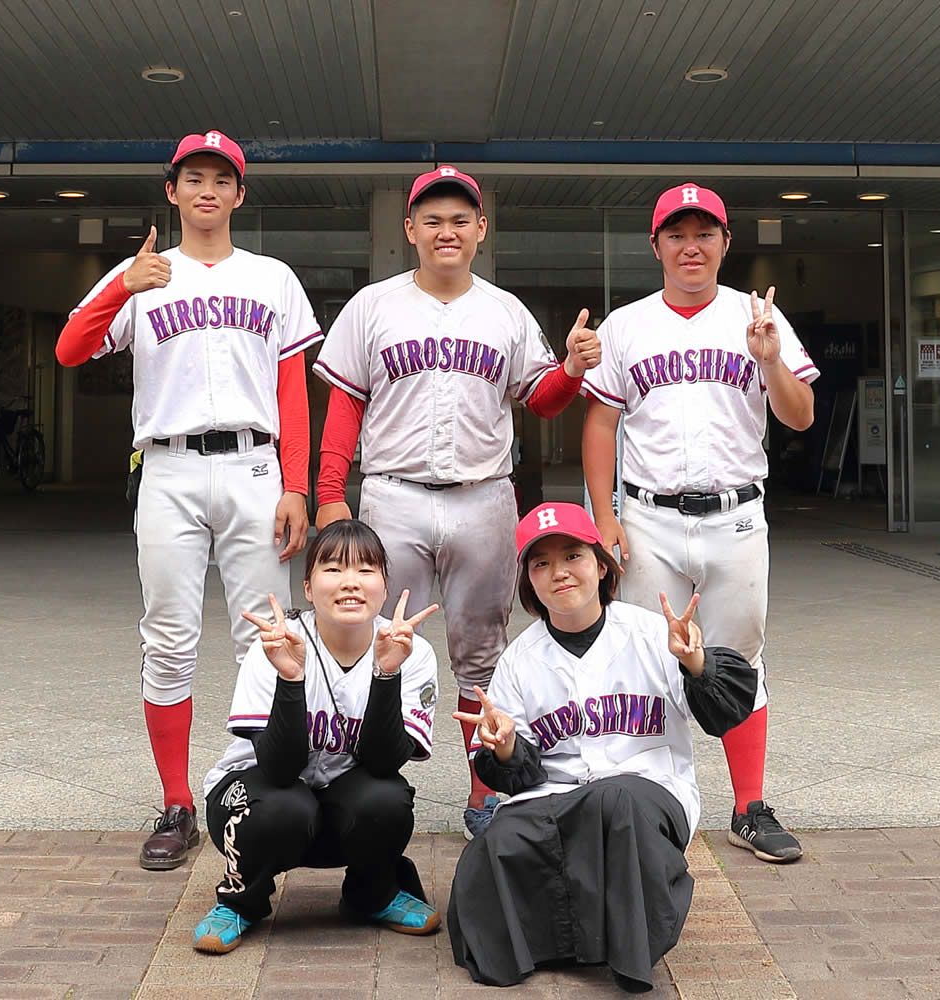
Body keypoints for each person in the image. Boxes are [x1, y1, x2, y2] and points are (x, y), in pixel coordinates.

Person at [55, 130, 322, 871]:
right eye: (193, 178)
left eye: (221, 179)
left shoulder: (272, 277)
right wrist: (122, 287)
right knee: (168, 638)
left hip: (253, 464)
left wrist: (296, 484)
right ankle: (176, 802)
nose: (208, 190)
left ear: (240, 193)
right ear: (171, 192)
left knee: (263, 636)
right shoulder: (142, 272)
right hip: (167, 468)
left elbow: (293, 391)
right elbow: (70, 350)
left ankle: (260, 782)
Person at [311, 165, 601, 837]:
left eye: (460, 220)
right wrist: (329, 494)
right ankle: (368, 789)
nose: (448, 231)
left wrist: (570, 370)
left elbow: (539, 399)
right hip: (394, 495)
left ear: (481, 230)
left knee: (483, 656)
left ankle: (485, 794)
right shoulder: (373, 306)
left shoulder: (505, 311)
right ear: (409, 229)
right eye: (433, 220)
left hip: (483, 497)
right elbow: (345, 404)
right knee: (376, 642)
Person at [581, 182, 819, 864]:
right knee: (646, 656)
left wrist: (770, 359)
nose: (692, 246)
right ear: (656, 245)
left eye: (705, 233)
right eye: (678, 235)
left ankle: (750, 807)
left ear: (725, 242)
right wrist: (604, 517)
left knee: (739, 657)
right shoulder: (626, 325)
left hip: (735, 515)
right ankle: (643, 800)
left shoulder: (757, 316)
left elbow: (800, 416)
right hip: (648, 518)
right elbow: (600, 423)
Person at [447, 502, 757, 991]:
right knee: (494, 843)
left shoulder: (654, 634)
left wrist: (697, 665)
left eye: (573, 556)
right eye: (541, 563)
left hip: (649, 795)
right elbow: (519, 776)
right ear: (529, 582)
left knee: (616, 800)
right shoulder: (518, 660)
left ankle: (629, 954)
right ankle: (560, 946)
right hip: (558, 798)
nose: (559, 572)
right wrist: (504, 747)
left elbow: (725, 713)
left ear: (601, 565)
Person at [194, 520, 442, 954]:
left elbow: (384, 763)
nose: (350, 582)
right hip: (259, 798)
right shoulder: (277, 643)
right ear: (308, 588)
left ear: (385, 586)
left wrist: (387, 673)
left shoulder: (411, 650)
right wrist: (291, 678)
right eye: (333, 569)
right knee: (285, 806)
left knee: (386, 799)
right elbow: (279, 770)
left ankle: (372, 894)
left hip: (339, 805)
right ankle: (239, 902)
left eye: (366, 570)